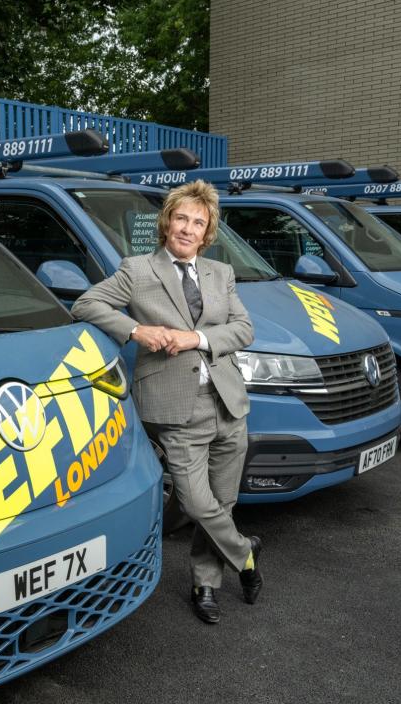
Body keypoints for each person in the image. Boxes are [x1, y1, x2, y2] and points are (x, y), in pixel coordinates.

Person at [70, 179, 261, 624]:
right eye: (181, 218)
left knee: (222, 502)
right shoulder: (137, 271)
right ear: (167, 221)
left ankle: (205, 585)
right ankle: (245, 555)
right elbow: (85, 303)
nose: (188, 229)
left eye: (199, 222)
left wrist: (194, 337)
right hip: (176, 409)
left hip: (228, 403)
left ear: (207, 231)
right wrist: (136, 331)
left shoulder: (220, 274)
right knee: (196, 504)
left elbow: (244, 330)